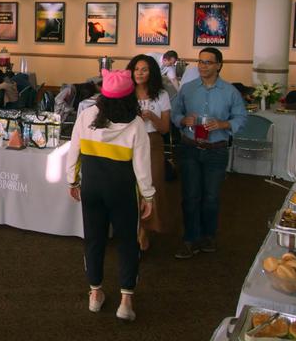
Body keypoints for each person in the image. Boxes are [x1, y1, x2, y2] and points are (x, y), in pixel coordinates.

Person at [65, 69, 154, 322]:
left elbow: (74, 152)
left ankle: (95, 294)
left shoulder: (86, 115)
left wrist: (72, 180)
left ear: (102, 95)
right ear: (129, 96)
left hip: (92, 187)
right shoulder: (136, 123)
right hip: (123, 191)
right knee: (128, 242)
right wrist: (148, 196)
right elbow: (142, 166)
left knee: (94, 240)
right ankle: (126, 301)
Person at [170, 47, 247, 259]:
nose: (203, 66)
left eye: (208, 62)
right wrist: (182, 120)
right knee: (190, 196)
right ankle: (190, 239)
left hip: (216, 151)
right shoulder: (187, 89)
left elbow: (241, 119)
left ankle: (208, 236)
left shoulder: (230, 92)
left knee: (211, 197)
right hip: (190, 148)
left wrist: (223, 123)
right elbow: (175, 113)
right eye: (201, 62)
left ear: (219, 65)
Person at [127, 55, 173, 252]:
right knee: (129, 186)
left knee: (152, 184)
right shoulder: (126, 93)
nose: (139, 73)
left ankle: (144, 230)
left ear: (151, 72)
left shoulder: (161, 95)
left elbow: (164, 128)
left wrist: (151, 116)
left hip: (152, 142)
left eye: (144, 69)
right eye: (136, 69)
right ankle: (130, 227)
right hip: (128, 143)